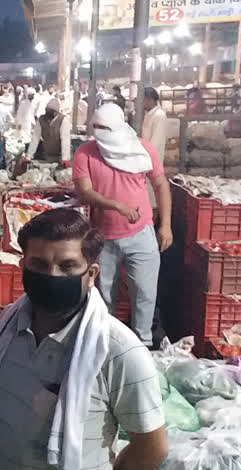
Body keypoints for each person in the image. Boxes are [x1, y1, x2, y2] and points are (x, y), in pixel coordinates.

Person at [0, 207, 167, 470]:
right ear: (23, 266)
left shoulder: (117, 350)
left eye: (68, 266)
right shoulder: (9, 325)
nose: (53, 276)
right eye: (40, 264)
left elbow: (152, 447)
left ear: (91, 275)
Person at [72, 103, 173, 346]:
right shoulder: (85, 153)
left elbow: (161, 185)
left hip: (141, 234)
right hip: (102, 238)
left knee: (145, 294)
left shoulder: (142, 149)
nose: (99, 131)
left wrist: (166, 224)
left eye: (104, 127)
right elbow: (84, 192)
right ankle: (107, 345)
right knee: (104, 297)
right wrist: (116, 206)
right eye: (95, 126)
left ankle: (143, 345)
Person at [25, 97, 71, 166]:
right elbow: (35, 138)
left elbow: (65, 139)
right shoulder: (41, 120)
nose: (47, 113)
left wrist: (65, 158)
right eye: (47, 110)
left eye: (50, 111)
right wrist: (29, 156)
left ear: (55, 112)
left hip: (60, 157)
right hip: (48, 156)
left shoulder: (63, 120)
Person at [141, 87, 168, 163]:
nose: (141, 103)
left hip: (152, 159)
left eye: (143, 100)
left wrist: (144, 155)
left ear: (150, 100)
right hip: (146, 157)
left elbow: (156, 142)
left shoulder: (159, 116)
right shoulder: (149, 114)